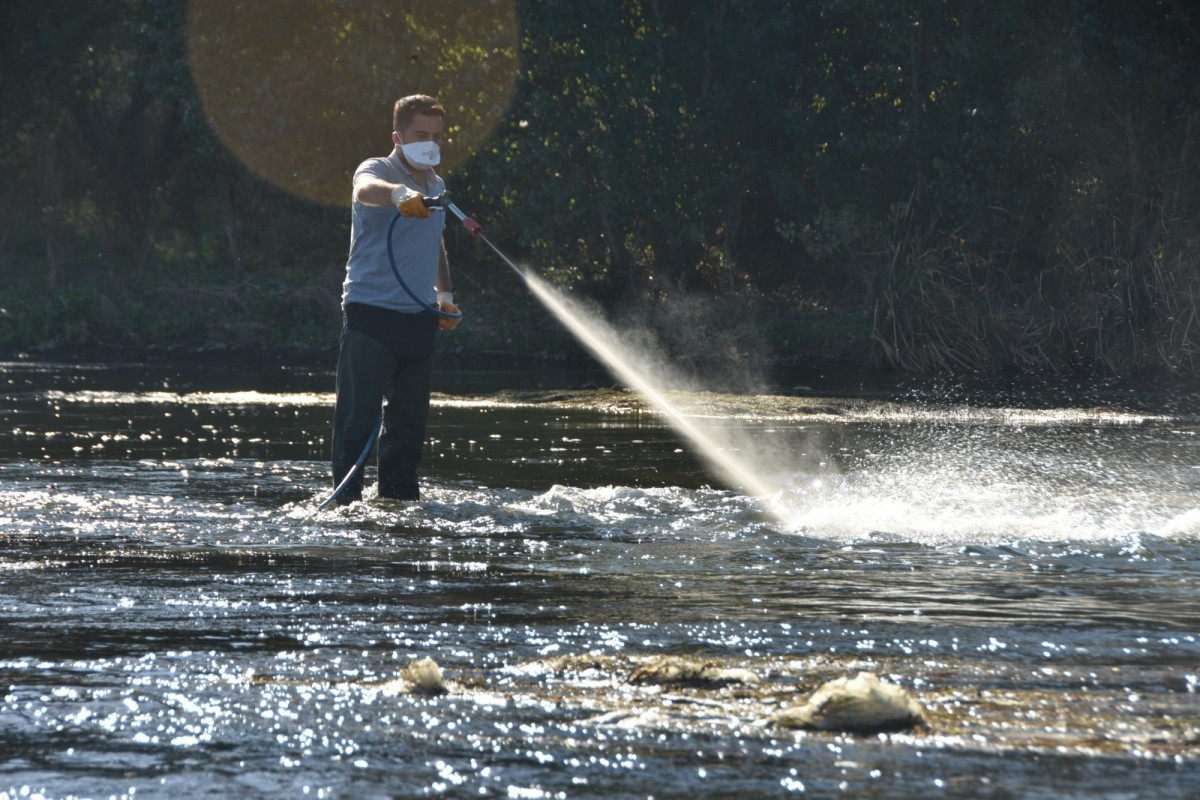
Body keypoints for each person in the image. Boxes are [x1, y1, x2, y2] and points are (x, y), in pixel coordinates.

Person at [330, 94, 461, 504]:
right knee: (357, 422)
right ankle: (345, 505)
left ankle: (400, 508)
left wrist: (445, 296)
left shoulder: (436, 184)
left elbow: (435, 242)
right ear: (398, 136)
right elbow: (366, 190)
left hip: (419, 319)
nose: (430, 143)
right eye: (421, 134)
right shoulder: (377, 169)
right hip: (371, 314)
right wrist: (396, 195)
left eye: (437, 136)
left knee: (407, 430)